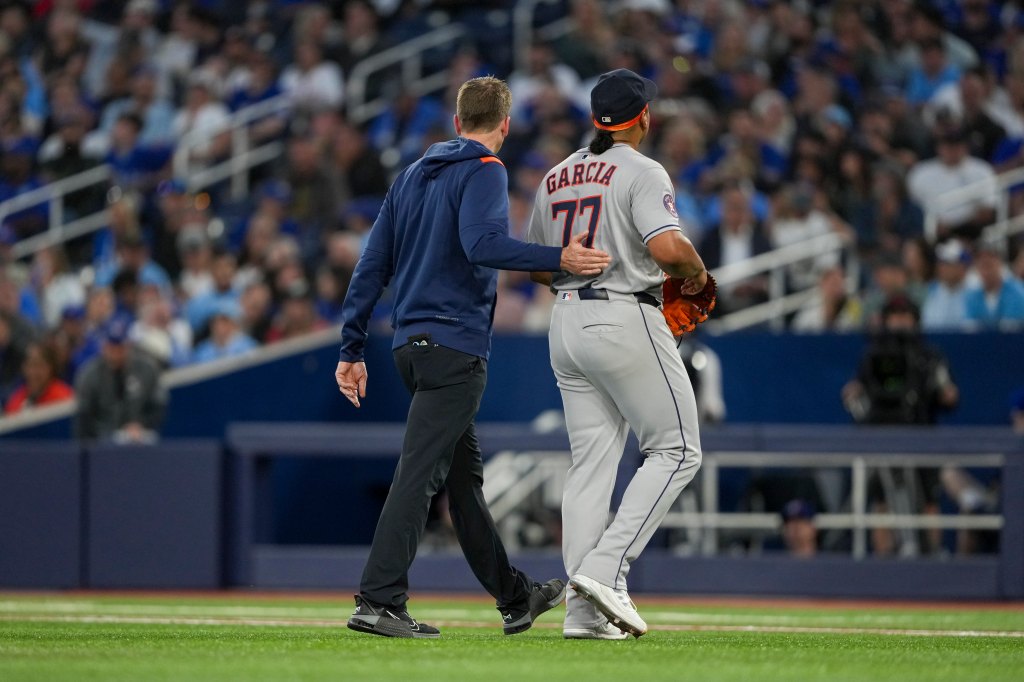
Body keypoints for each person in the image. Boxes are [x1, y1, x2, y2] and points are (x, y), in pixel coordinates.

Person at [335, 76, 611, 640]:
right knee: (420, 474)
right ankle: (378, 599)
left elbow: (371, 264)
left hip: (409, 349)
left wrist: (351, 345)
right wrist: (562, 257)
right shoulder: (486, 170)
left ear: (457, 121)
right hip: (455, 346)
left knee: (462, 483)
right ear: (504, 126)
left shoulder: (412, 175)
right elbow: (482, 244)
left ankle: (515, 597)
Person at [527, 69, 706, 640]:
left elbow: (534, 262)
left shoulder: (556, 175)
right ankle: (608, 570)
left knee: (590, 469)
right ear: (643, 117)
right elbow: (666, 247)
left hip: (565, 321)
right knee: (678, 449)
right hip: (623, 311)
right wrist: (697, 272)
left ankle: (583, 616)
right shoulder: (642, 169)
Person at [74, 318, 167, 443]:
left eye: (120, 348)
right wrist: (109, 434)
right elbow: (83, 419)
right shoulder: (89, 374)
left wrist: (141, 424)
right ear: (103, 346)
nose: (116, 354)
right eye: (112, 348)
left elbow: (158, 406)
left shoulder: (147, 369)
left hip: (139, 437)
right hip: (101, 442)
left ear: (128, 345)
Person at [3, 342, 74, 414]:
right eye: (29, 365)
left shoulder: (63, 398)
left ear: (51, 368)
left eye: (39, 365)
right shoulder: (16, 399)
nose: (33, 372)